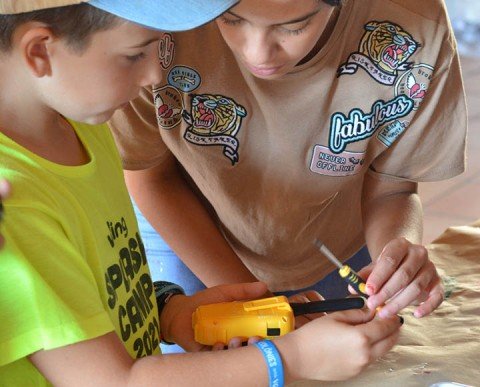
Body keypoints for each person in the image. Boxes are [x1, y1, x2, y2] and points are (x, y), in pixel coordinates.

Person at [0, 1, 403, 385]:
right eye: (136, 53)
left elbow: (94, 289)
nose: (156, 75)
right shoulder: (13, 201)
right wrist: (293, 359)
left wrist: (172, 311)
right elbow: (112, 381)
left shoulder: (84, 127)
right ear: (39, 51)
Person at [110, 0, 466, 328]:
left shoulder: (415, 26)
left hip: (334, 237)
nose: (258, 52)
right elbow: (150, 175)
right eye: (230, 19)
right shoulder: (155, 18)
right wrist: (253, 304)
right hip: (188, 231)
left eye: (293, 26)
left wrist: (398, 252)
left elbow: (394, 187)